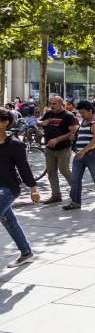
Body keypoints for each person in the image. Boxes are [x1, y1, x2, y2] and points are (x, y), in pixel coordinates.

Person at [0, 109, 41, 268]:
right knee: (9, 222)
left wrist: (33, 189)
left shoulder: (15, 144)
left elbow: (24, 168)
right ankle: (26, 253)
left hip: (8, 188)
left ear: (5, 122)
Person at [63, 101, 95, 210]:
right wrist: (74, 137)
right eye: (80, 113)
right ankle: (75, 202)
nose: (81, 115)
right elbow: (82, 136)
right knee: (75, 179)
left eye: (83, 112)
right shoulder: (83, 121)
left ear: (90, 111)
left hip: (92, 155)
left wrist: (83, 151)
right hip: (80, 154)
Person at [37, 95, 78, 204]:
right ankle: (56, 195)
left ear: (61, 104)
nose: (52, 106)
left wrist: (57, 139)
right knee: (51, 172)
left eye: (54, 103)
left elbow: (73, 131)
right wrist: (42, 123)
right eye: (51, 103)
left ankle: (76, 191)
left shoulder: (68, 116)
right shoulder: (49, 113)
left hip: (63, 148)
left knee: (64, 170)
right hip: (49, 149)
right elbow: (38, 121)